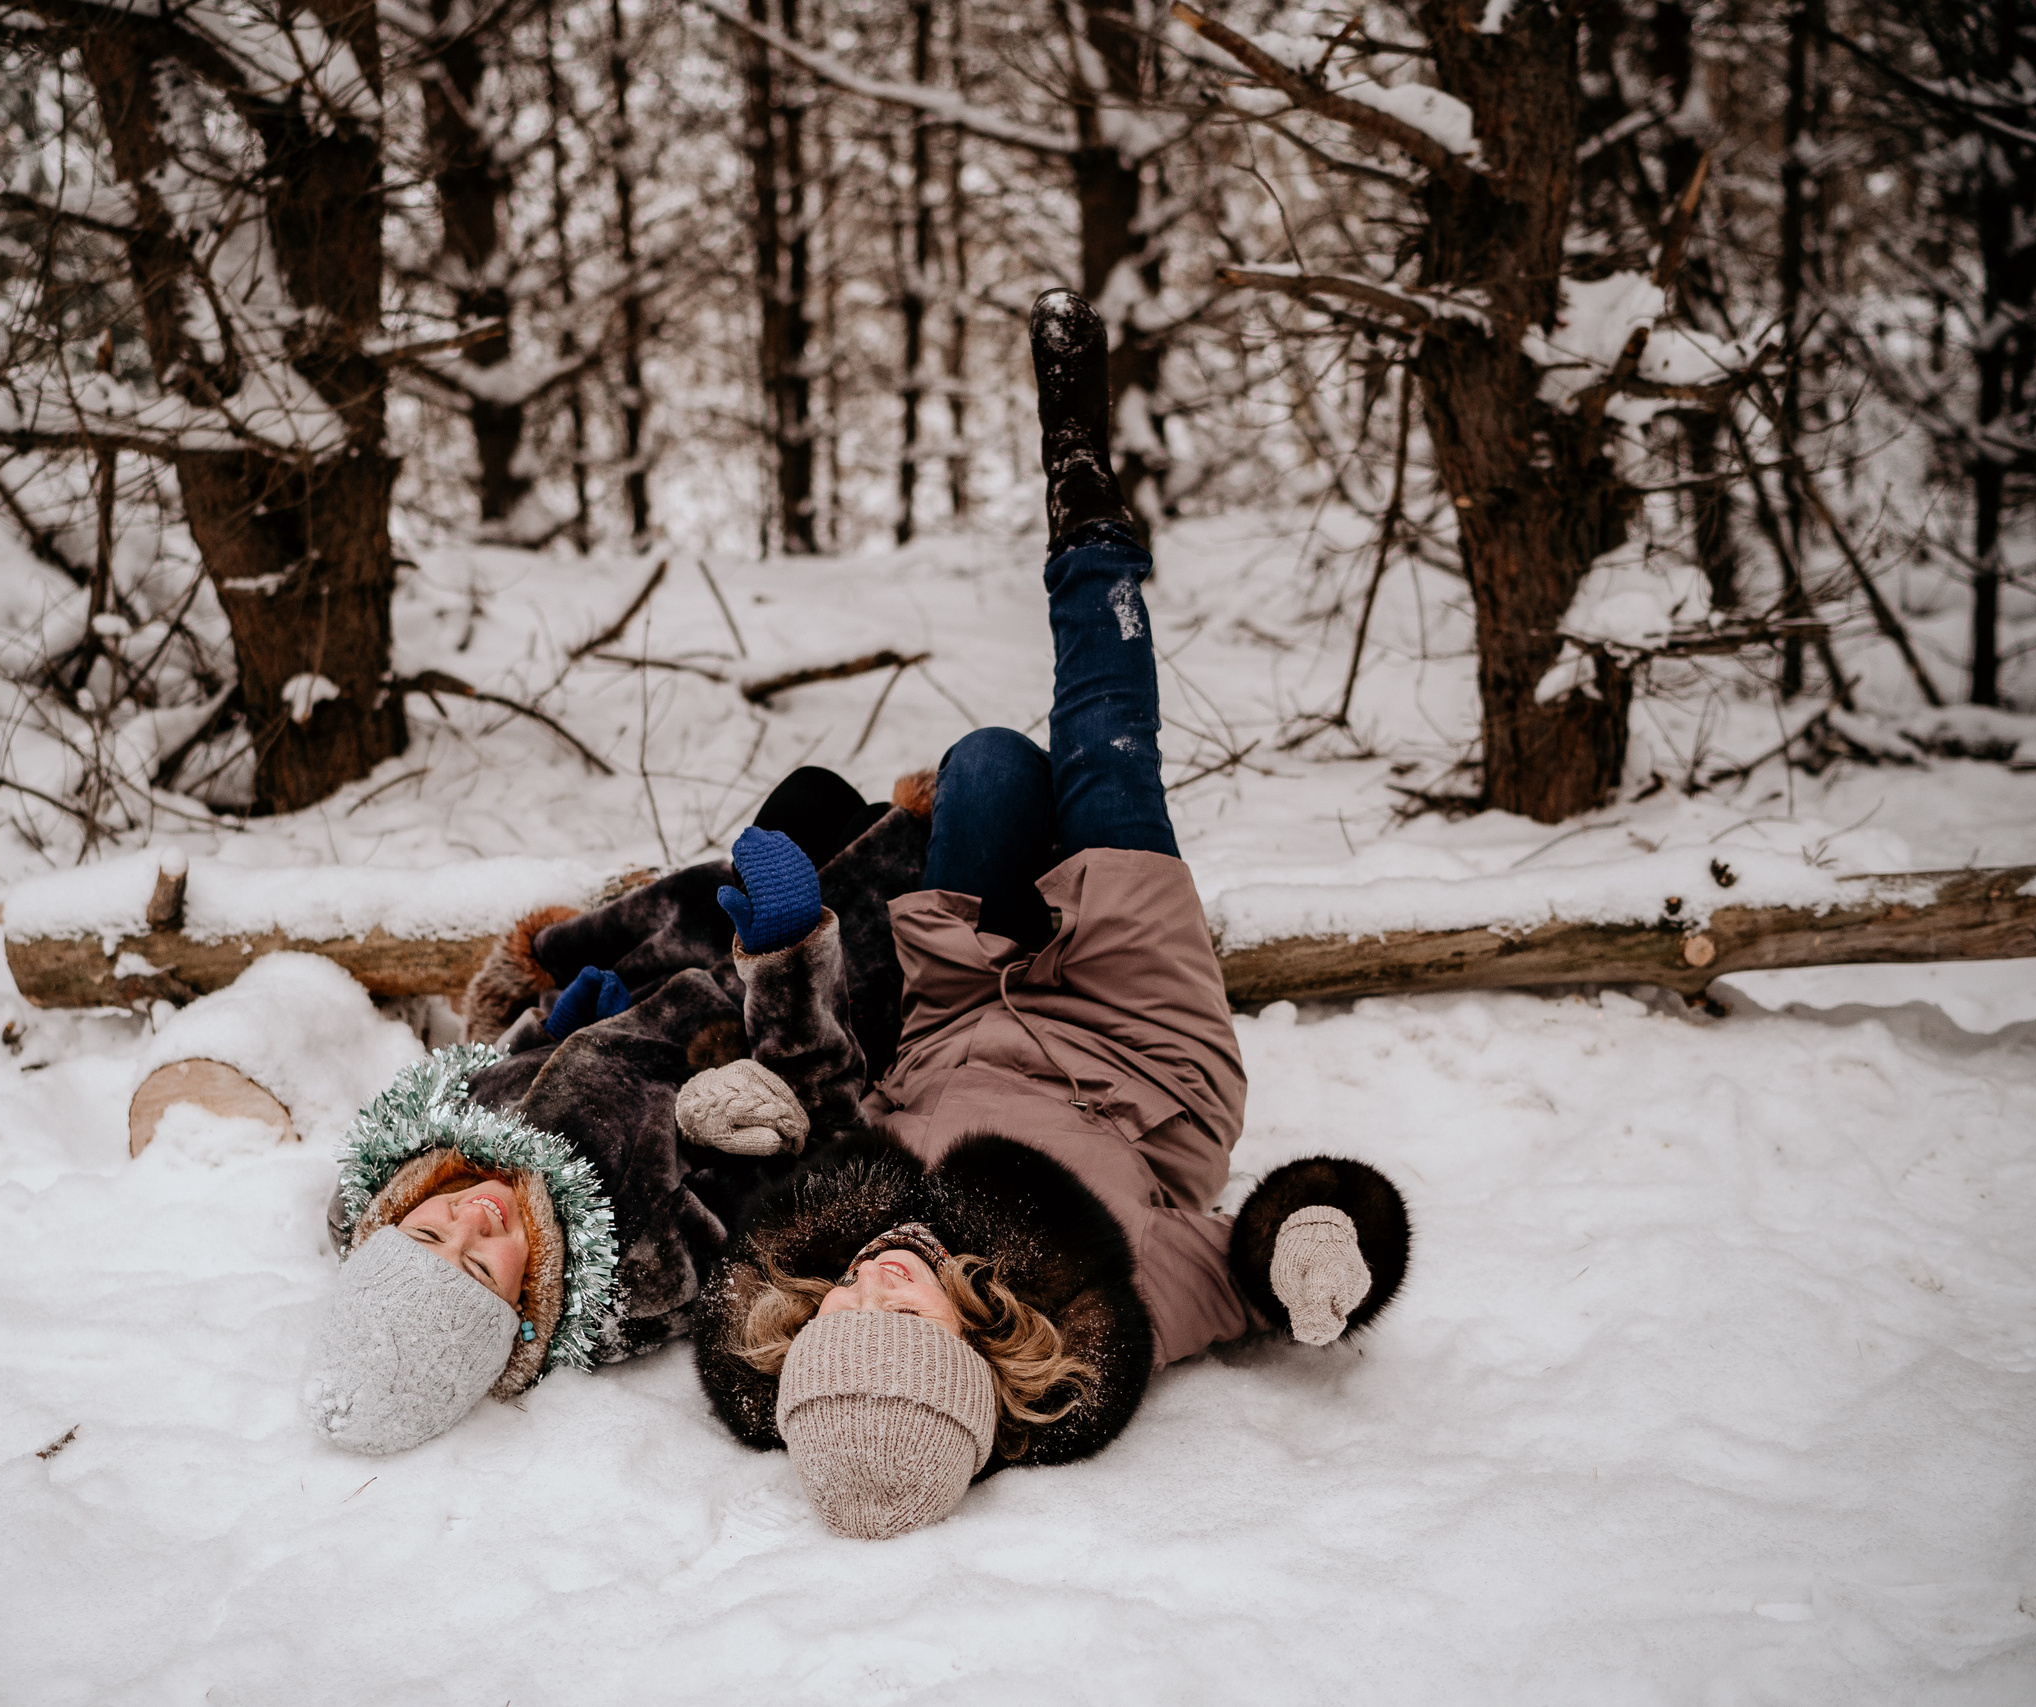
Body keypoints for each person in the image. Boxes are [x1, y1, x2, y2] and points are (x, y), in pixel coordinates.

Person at [689, 289, 1414, 1539]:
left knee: (983, 767)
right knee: (1105, 756)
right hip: (1139, 1051)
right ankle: (1085, 506)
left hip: (967, 1003)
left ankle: (1022, 815)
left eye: (838, 1315)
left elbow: (806, 1094)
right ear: (975, 1357)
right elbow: (1253, 1260)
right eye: (897, 1318)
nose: (871, 1282)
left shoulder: (810, 1244)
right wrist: (1320, 1240)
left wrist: (742, 1088)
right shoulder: (1101, 1306)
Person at [301, 763, 944, 1454]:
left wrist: (551, 1029)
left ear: (390, 1220)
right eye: (482, 1268)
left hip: (665, 953)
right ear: (520, 1316)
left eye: (429, 1235)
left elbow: (484, 1071)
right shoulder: (641, 1262)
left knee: (813, 795)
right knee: (905, 834)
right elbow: (822, 1126)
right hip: (796, 996)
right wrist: (790, 956)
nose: (472, 1221)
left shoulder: (402, 1162)